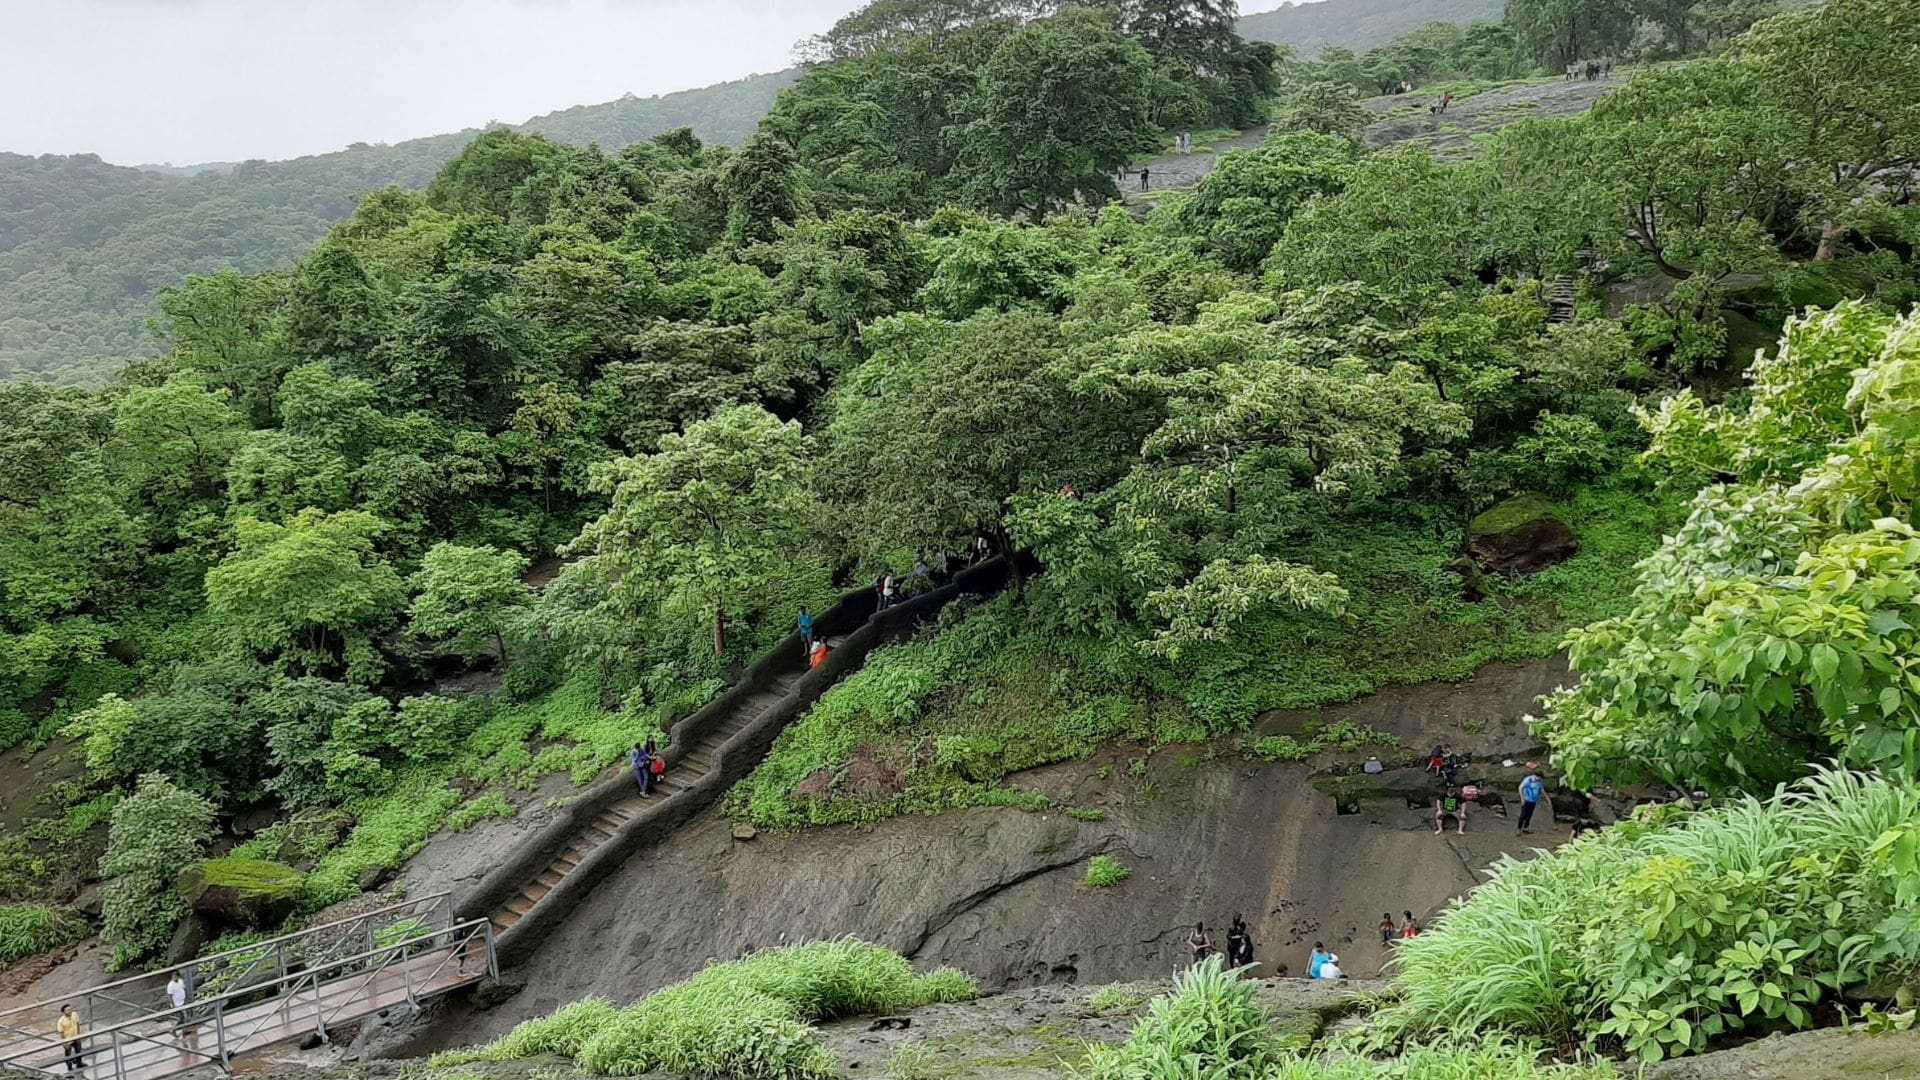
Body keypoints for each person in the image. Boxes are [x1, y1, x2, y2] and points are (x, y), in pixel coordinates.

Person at [58, 1004, 83, 1073]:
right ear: (64, 1012)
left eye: (70, 1009)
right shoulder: (61, 1021)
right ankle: (70, 1068)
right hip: (68, 1040)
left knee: (79, 1051)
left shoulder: (75, 1014)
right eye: (68, 1010)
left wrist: (78, 1034)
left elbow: (77, 1024)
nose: (70, 1011)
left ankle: (79, 1064)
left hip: (76, 1037)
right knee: (68, 1054)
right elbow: (61, 1033)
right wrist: (64, 1043)